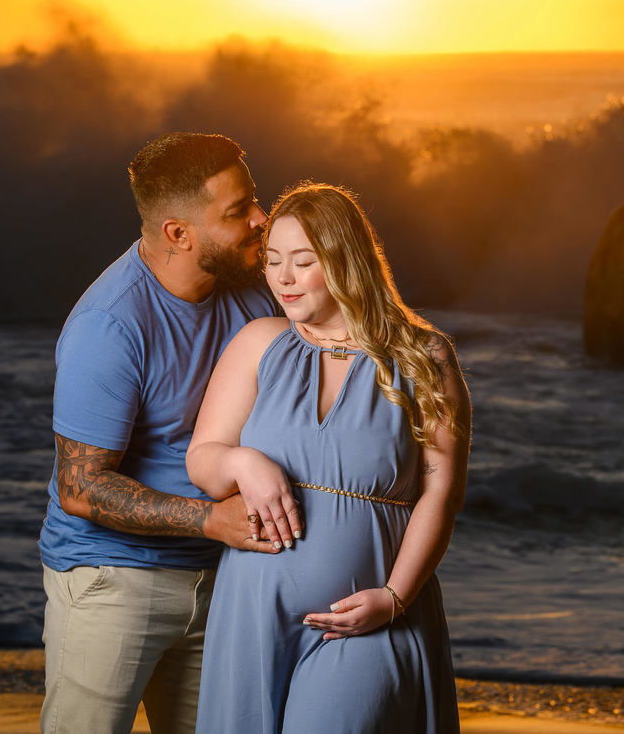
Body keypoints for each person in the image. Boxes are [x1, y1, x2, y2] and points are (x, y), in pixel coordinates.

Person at [186, 182, 470, 733]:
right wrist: (245, 462)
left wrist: (394, 597)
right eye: (272, 262)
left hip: (365, 616)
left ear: (345, 261)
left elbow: (443, 493)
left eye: (302, 261)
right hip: (251, 609)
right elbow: (204, 458)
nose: (283, 278)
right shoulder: (258, 342)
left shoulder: (423, 356)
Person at [37, 132, 282, 734]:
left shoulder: (252, 291)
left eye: (255, 199)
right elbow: (81, 488)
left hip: (223, 578)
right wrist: (208, 518)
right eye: (237, 211)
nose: (260, 219)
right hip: (112, 582)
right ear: (178, 233)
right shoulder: (110, 325)